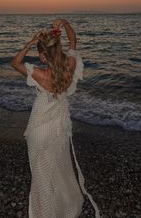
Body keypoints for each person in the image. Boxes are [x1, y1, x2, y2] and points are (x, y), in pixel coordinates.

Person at [11, 18, 101, 218]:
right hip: (58, 128)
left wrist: (30, 43)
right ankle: (63, 206)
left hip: (38, 128)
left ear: (43, 57)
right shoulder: (70, 64)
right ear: (59, 50)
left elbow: (15, 62)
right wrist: (66, 24)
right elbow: (74, 43)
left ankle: (45, 210)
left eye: (39, 53)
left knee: (40, 171)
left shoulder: (40, 74)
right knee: (59, 165)